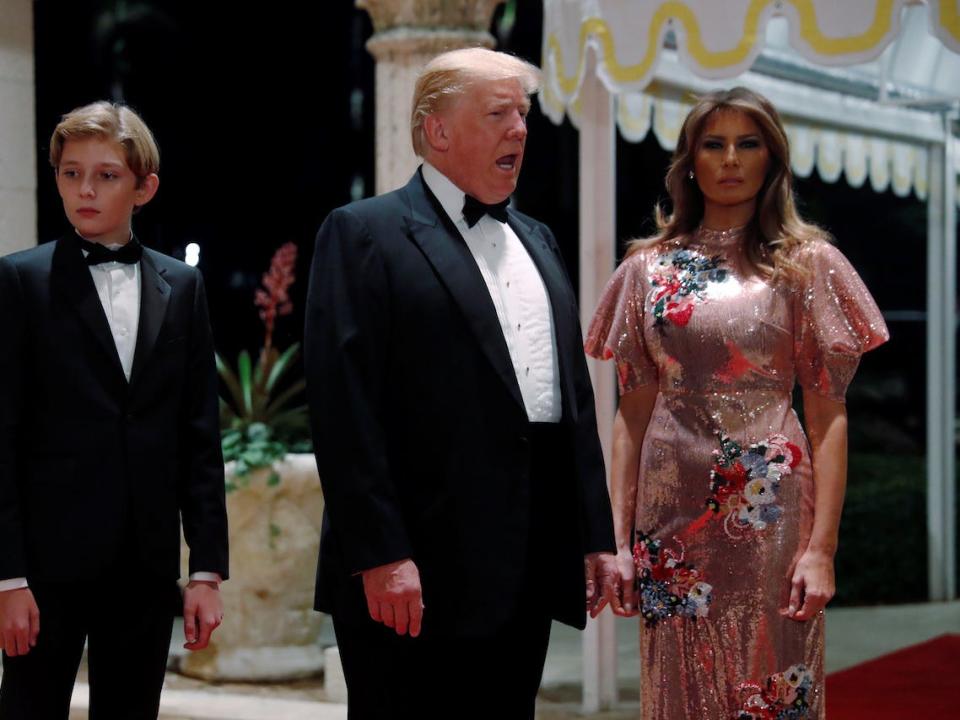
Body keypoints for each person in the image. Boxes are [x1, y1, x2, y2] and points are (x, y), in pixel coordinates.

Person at [304, 47, 617, 719]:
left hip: (524, 571)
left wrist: (594, 534)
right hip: (411, 574)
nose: (521, 130)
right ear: (437, 130)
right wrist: (382, 553)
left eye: (524, 114)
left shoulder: (539, 240)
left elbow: (571, 404)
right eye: (499, 113)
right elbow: (343, 410)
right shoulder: (363, 232)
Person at [585, 87, 888, 719]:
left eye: (747, 144)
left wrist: (821, 549)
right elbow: (630, 418)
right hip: (669, 521)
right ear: (689, 161)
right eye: (713, 144)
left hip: (770, 516)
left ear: (772, 160)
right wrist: (615, 541)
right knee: (675, 690)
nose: (730, 159)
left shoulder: (810, 266)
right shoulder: (647, 270)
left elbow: (829, 416)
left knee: (771, 681)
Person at [0, 101, 229, 719]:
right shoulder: (20, 281)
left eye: (105, 175)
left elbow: (198, 434)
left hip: (145, 566)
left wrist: (205, 570)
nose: (84, 190)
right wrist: (8, 579)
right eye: (71, 174)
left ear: (143, 187)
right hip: (44, 571)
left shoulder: (182, 286)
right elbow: (2, 437)